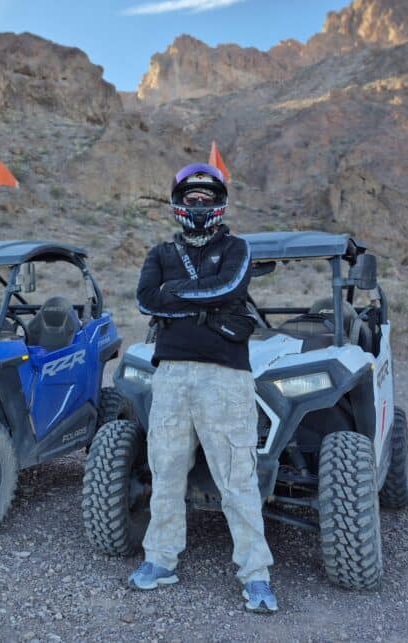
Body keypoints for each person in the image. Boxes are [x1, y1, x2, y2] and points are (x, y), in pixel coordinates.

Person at [129, 163, 278, 613]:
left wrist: (176, 299)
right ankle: (159, 559)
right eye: (190, 198)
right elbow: (144, 299)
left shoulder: (237, 248)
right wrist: (208, 307)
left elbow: (228, 286)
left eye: (206, 198)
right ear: (178, 203)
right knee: (166, 472)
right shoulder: (159, 252)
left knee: (237, 476)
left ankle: (256, 575)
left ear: (219, 203)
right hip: (171, 374)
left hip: (225, 376)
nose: (198, 205)